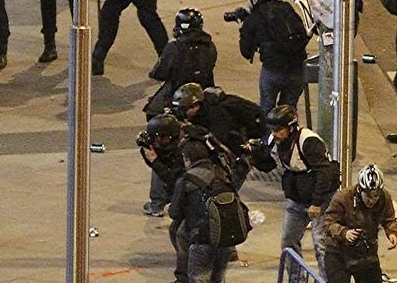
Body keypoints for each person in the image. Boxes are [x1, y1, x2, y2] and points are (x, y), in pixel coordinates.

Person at [249, 104, 339, 279]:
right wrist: (254, 155)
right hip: (297, 197)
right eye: (272, 130)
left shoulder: (309, 141)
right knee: (288, 241)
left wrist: (316, 203)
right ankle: (296, 279)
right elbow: (269, 165)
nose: (274, 134)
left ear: (290, 128)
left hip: (320, 199)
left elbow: (324, 174)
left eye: (279, 130)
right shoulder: (275, 141)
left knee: (322, 245)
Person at [237, 0, 308, 114]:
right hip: (297, 69)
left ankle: (268, 134)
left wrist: (243, 25)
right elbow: (303, 34)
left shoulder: (254, 18)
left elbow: (245, 51)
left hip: (273, 69)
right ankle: (289, 133)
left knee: (267, 108)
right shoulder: (286, 8)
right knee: (288, 109)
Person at [168, 137, 234, 283]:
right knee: (219, 277)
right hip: (226, 237)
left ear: (187, 159)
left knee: (199, 278)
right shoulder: (223, 173)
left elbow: (174, 213)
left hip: (202, 238)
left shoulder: (186, 179)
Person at [322, 164, 397, 282]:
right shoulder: (343, 197)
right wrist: (344, 233)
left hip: (366, 251)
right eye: (368, 196)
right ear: (360, 190)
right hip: (338, 253)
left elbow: (389, 219)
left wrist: (392, 233)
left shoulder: (384, 198)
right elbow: (328, 222)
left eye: (375, 196)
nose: (372, 200)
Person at [144, 8, 216, 119]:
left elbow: (160, 73)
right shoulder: (210, 46)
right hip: (203, 91)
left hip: (178, 93)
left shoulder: (174, 47)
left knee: (152, 111)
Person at [138, 113, 184, 217]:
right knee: (158, 164)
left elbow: (172, 178)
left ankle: (157, 205)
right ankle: (158, 203)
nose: (153, 140)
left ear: (167, 136)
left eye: (156, 137)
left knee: (158, 165)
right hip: (179, 182)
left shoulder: (183, 149)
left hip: (189, 186)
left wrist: (155, 160)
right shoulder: (174, 142)